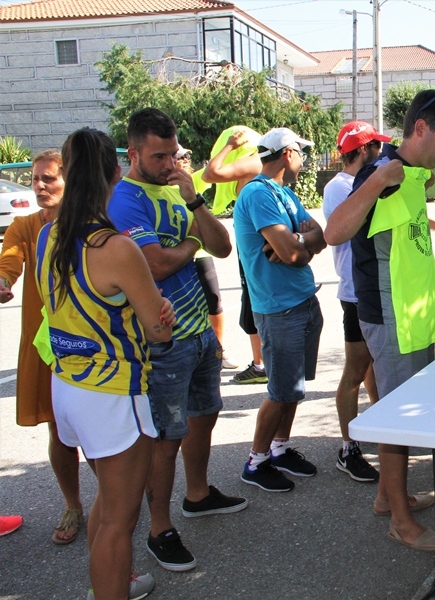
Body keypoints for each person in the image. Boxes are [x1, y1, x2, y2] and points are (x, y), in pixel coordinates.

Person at [36, 127, 176, 600]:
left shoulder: (46, 236)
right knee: (121, 518)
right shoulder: (116, 247)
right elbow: (158, 329)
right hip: (113, 391)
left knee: (109, 505)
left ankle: (110, 583)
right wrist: (166, 315)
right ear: (115, 173)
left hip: (68, 386)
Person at [324, 89, 435, 552]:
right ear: (420, 128)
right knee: (398, 417)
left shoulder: (412, 175)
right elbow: (334, 232)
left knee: (406, 409)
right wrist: (375, 181)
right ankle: (400, 522)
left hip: (414, 312)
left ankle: (391, 497)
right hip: (392, 316)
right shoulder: (382, 172)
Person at [108, 108, 247, 573]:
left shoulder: (177, 190)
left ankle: (198, 494)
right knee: (165, 439)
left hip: (198, 332)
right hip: (160, 340)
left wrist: (194, 204)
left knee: (205, 415)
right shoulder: (125, 199)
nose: (170, 164)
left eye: (174, 154)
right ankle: (158, 528)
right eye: (159, 156)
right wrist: (191, 245)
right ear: (134, 154)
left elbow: (223, 246)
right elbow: (157, 265)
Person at [0, 149, 86, 545]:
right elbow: (8, 262)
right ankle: (73, 504)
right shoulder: (24, 226)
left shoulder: (91, 226)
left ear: (70, 181)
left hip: (93, 345)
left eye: (48, 178)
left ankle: (119, 503)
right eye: (35, 178)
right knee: (59, 429)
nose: (38, 185)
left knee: (102, 432)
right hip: (47, 347)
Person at [233, 127, 326, 493]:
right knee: (281, 390)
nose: (304, 159)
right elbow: (288, 254)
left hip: (302, 300)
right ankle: (256, 462)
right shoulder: (258, 193)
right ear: (288, 153)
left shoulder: (284, 193)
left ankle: (280, 448)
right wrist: (298, 248)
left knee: (294, 388)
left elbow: (320, 235)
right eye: (301, 152)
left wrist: (299, 243)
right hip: (279, 309)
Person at [322, 121, 389, 483]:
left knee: (373, 368)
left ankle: (379, 428)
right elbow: (343, 232)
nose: (381, 153)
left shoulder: (359, 183)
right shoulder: (341, 187)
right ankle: (348, 449)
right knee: (355, 371)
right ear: (363, 151)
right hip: (356, 293)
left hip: (371, 289)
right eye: (376, 147)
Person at [201, 126, 268, 384]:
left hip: (254, 239)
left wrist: (229, 145)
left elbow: (211, 173)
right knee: (254, 302)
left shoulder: (255, 161)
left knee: (256, 302)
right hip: (254, 237)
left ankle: (263, 365)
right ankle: (262, 363)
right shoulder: (260, 163)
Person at [174, 144, 238, 370]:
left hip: (201, 252)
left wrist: (230, 147)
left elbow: (214, 169)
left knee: (214, 300)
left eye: (186, 156)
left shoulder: (192, 180)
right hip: (179, 253)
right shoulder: (157, 188)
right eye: (179, 156)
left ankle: (219, 350)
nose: (183, 160)